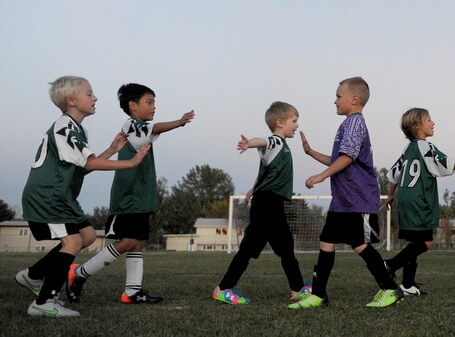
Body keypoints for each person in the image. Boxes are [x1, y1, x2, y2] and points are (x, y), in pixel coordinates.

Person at [15, 76, 149, 317]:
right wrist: (130, 162)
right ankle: (43, 303)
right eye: (89, 93)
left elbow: (85, 167)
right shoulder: (63, 126)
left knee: (86, 235)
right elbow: (90, 162)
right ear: (72, 100)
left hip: (62, 197)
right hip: (47, 196)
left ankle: (33, 275)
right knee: (73, 242)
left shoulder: (77, 129)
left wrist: (112, 150)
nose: (95, 97)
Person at [67, 83, 194, 304]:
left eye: (154, 102)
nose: (154, 107)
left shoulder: (141, 127)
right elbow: (156, 128)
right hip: (128, 197)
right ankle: (78, 274)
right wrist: (180, 122)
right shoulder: (132, 125)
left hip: (141, 197)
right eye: (149, 102)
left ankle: (132, 292)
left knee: (137, 243)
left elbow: (152, 130)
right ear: (133, 106)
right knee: (126, 242)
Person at [291, 77, 401, 309]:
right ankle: (319, 294)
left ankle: (391, 289)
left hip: (357, 200)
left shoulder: (355, 124)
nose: (335, 101)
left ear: (355, 99)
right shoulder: (347, 124)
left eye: (338, 96)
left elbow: (347, 158)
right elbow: (338, 159)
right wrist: (310, 152)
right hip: (343, 201)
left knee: (360, 245)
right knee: (326, 242)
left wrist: (322, 176)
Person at [212, 101, 310, 305]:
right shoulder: (275, 142)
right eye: (294, 121)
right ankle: (223, 288)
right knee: (248, 248)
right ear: (280, 122)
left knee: (286, 248)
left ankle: (298, 289)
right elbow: (262, 141)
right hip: (266, 205)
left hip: (272, 203)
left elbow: (265, 173)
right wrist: (249, 144)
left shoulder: (281, 147)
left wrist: (251, 189)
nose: (297, 125)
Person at [383, 108, 455, 296]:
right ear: (418, 126)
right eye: (429, 120)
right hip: (419, 200)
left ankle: (407, 285)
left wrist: (391, 195)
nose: (433, 123)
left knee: (414, 242)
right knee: (426, 243)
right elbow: (448, 165)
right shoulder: (426, 147)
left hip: (405, 199)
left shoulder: (407, 149)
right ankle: (389, 265)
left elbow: (394, 174)